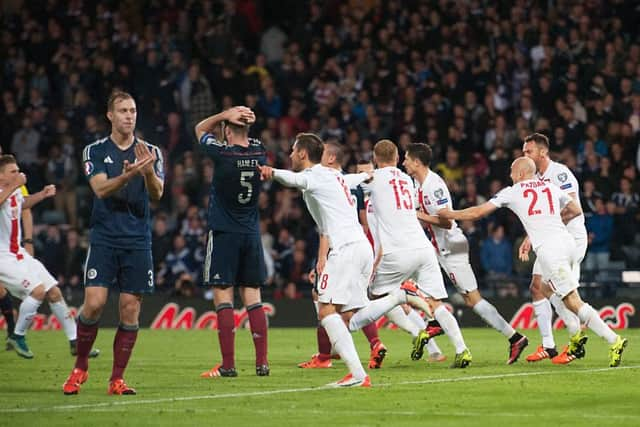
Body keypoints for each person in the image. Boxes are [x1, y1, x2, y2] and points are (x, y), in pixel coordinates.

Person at [258, 133, 434, 387]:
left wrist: (270, 171)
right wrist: (366, 175)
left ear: (303, 154)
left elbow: (294, 179)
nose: (291, 154)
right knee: (351, 316)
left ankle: (357, 374)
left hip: (347, 249)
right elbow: (352, 179)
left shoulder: (315, 175)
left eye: (293, 150)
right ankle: (398, 297)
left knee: (326, 310)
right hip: (361, 247)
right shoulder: (334, 175)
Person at [440, 157, 628, 368]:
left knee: (573, 300)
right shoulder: (549, 186)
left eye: (512, 171)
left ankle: (614, 340)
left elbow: (477, 212)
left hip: (551, 251)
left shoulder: (513, 191)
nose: (510, 176)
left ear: (520, 173)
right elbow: (575, 209)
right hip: (566, 242)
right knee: (543, 287)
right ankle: (571, 333)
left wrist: (450, 214)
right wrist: (548, 221)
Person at [63, 91, 164, 395]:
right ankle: (80, 366)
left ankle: (116, 379)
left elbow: (158, 194)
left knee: (130, 309)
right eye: (123, 110)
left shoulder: (151, 151)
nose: (129, 116)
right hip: (105, 236)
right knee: (94, 304)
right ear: (110, 115)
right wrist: (127, 175)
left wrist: (146, 174)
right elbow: (100, 189)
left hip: (138, 239)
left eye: (133, 110)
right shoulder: (94, 150)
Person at [404, 143, 528, 364]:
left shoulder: (435, 186)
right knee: (413, 286)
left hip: (451, 248)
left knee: (473, 300)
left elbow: (446, 220)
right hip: (436, 249)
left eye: (406, 159)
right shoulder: (417, 184)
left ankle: (514, 337)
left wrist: (418, 215)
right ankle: (436, 326)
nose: (403, 163)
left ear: (416, 162)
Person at [361, 140, 471, 369]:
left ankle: (405, 301)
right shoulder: (407, 180)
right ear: (396, 157)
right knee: (436, 304)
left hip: (396, 252)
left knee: (376, 297)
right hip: (423, 249)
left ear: (375, 157)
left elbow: (360, 176)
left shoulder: (374, 179)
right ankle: (462, 350)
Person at [297, 143, 388, 370]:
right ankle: (374, 343)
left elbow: (327, 226)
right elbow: (362, 221)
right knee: (353, 305)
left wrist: (321, 259)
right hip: (358, 245)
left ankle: (324, 356)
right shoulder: (349, 182)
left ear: (330, 158)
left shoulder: (328, 183)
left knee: (323, 299)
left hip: (340, 247)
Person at [0, 156, 100, 361]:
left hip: (17, 253)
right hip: (3, 256)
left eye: (18, 170)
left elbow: (22, 203)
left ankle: (75, 342)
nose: (18, 174)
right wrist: (15, 185)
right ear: (1, 176)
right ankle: (17, 336)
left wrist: (42, 195)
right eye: (13, 171)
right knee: (37, 291)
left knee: (54, 292)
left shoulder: (15, 191)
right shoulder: (5, 190)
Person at [195, 106, 270, 379]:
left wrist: (223, 114)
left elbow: (200, 130)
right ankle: (262, 363)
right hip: (251, 233)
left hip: (224, 232)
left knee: (223, 296)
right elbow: (249, 138)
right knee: (253, 296)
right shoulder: (260, 151)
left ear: (227, 129)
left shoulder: (223, 153)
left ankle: (228, 365)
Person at [520, 133, 589, 364]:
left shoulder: (559, 173)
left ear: (542, 152)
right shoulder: (536, 178)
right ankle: (549, 346)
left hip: (571, 239)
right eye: (523, 151)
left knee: (563, 291)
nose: (524, 155)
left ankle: (580, 339)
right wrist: (530, 237)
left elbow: (574, 208)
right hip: (552, 240)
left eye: (528, 151)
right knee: (537, 287)